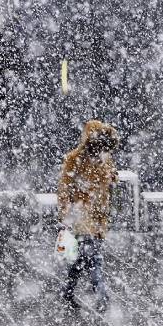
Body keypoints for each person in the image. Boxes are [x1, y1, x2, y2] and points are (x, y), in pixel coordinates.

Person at [57, 120, 119, 312]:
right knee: (93, 257)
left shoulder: (104, 158)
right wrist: (65, 213)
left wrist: (112, 177)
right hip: (81, 214)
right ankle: (101, 294)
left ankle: (68, 292)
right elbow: (64, 188)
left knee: (81, 258)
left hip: (99, 214)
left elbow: (110, 177)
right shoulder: (74, 159)